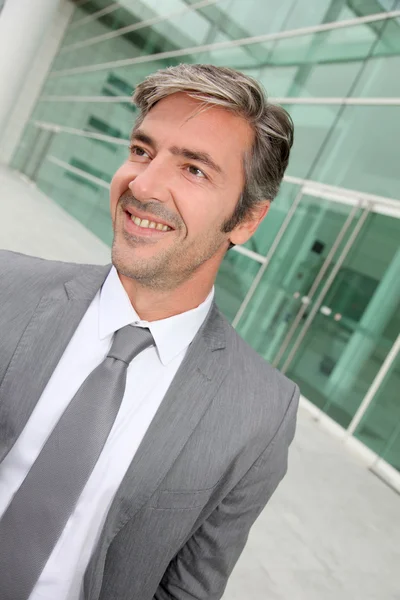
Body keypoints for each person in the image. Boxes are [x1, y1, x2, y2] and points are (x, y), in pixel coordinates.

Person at [0, 63, 299, 600]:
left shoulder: (261, 413)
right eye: (142, 150)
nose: (143, 183)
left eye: (194, 170)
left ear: (248, 219)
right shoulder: (6, 288)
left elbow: (188, 588)